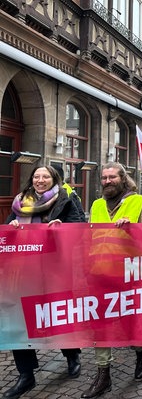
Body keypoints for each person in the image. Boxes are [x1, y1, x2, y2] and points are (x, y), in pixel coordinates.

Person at [3, 165, 84, 399]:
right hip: (22, 271)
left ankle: (72, 354)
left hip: (54, 268)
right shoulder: (20, 201)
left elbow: (79, 228)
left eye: (45, 176)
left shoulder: (67, 198)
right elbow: (9, 228)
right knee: (17, 319)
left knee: (57, 314)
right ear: (32, 179)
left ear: (53, 179)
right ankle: (26, 375)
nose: (40, 180)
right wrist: (13, 227)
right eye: (36, 176)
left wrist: (62, 230)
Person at [81, 162, 142, 399]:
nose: (107, 181)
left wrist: (132, 230)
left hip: (128, 275)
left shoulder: (139, 202)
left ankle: (140, 352)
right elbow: (90, 236)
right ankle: (103, 375)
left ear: (123, 178)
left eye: (112, 177)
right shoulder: (97, 204)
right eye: (104, 178)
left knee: (129, 322)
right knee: (100, 324)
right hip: (100, 274)